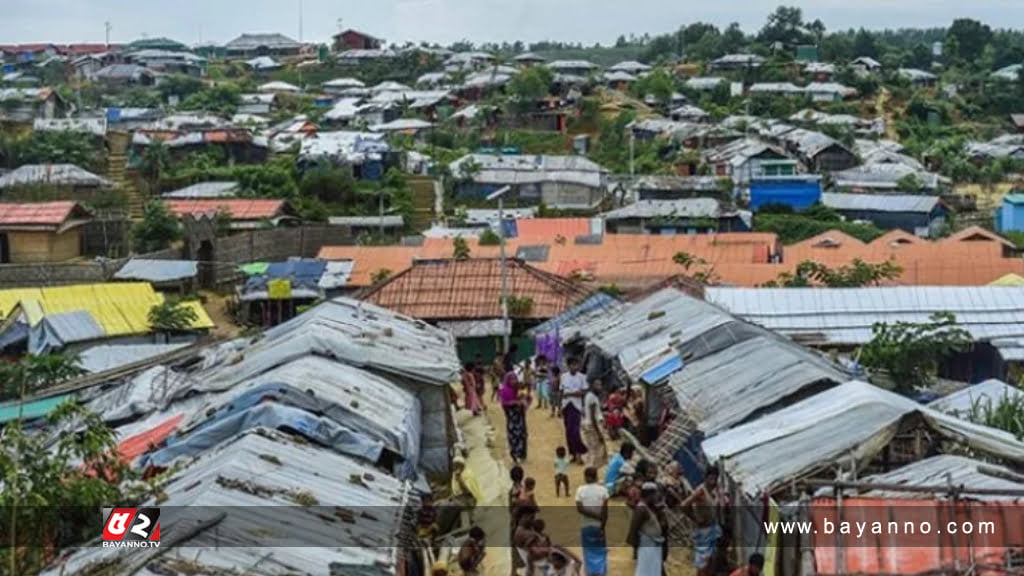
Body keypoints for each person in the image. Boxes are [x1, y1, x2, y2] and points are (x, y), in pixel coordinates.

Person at [680, 465, 725, 576]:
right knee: (703, 562)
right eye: (711, 479)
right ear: (705, 478)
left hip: (712, 528)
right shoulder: (701, 491)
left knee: (711, 560)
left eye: (715, 479)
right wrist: (695, 519)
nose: (713, 482)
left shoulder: (714, 492)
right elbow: (684, 505)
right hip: (703, 530)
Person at [575, 466, 609, 576]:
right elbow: (605, 512)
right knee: (600, 552)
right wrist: (602, 525)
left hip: (586, 525)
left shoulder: (580, 490)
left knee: (588, 552)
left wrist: (595, 516)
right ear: (596, 477)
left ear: (585, 477)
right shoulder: (603, 491)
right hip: (599, 526)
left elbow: (580, 509)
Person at [628, 482, 667, 576]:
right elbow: (633, 530)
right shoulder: (641, 509)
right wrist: (637, 548)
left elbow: (663, 525)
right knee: (646, 571)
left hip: (653, 546)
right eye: (655, 494)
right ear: (649, 495)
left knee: (653, 570)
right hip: (647, 546)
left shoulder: (650, 508)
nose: (656, 497)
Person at [560, 357, 589, 463]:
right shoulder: (563, 377)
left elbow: (584, 392)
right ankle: (572, 453)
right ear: (568, 366)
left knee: (575, 431)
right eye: (572, 365)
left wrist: (571, 394)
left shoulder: (582, 377)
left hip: (576, 406)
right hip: (565, 406)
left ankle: (579, 453)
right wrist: (559, 407)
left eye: (576, 365)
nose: (575, 367)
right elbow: (561, 392)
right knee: (568, 431)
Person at [499, 369, 529, 463]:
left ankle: (522, 455)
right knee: (512, 436)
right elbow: (503, 403)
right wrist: (514, 403)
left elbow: (528, 399)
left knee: (522, 435)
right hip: (512, 417)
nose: (514, 381)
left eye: (515, 379)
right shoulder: (504, 390)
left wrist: (523, 403)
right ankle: (514, 455)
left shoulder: (520, 389)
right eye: (511, 379)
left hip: (520, 416)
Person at [582, 379, 607, 468]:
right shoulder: (592, 397)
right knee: (595, 451)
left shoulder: (589, 396)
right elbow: (593, 417)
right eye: (597, 385)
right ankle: (591, 470)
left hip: (589, 425)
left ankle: (591, 470)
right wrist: (599, 433)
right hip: (592, 427)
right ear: (592, 386)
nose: (599, 387)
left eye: (600, 385)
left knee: (592, 450)